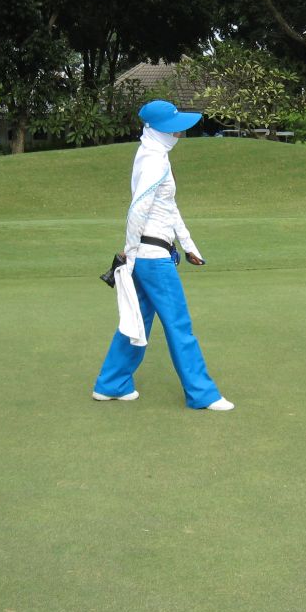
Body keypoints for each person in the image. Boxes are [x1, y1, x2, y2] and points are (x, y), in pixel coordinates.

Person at [92, 99, 234, 411]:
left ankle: (111, 383)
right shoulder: (154, 160)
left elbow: (168, 207)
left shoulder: (153, 154)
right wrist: (130, 254)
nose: (179, 134)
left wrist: (188, 244)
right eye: (174, 129)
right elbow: (138, 209)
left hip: (152, 254)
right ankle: (202, 393)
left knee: (138, 320)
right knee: (179, 325)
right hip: (152, 259)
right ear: (157, 129)